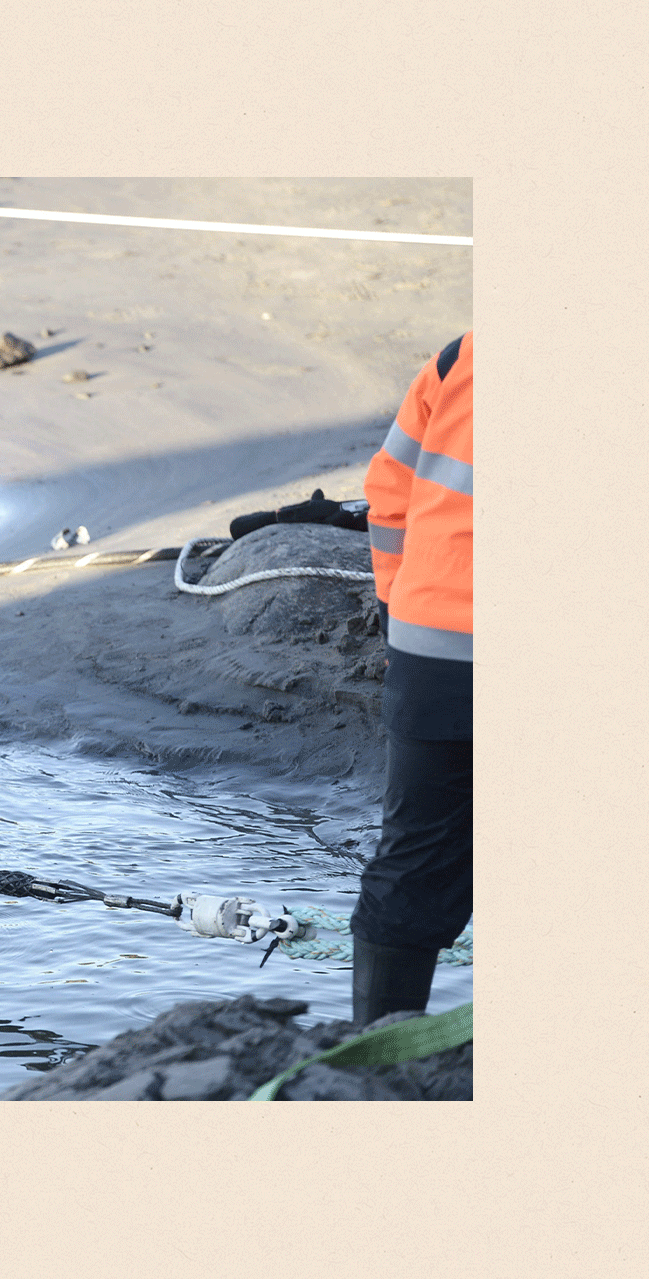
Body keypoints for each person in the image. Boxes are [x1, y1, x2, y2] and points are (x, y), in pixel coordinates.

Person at [351, 332, 473, 1025]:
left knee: (414, 855)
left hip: (433, 649)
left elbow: (387, 491)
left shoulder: (463, 355)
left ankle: (373, 1055)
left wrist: (402, 607)